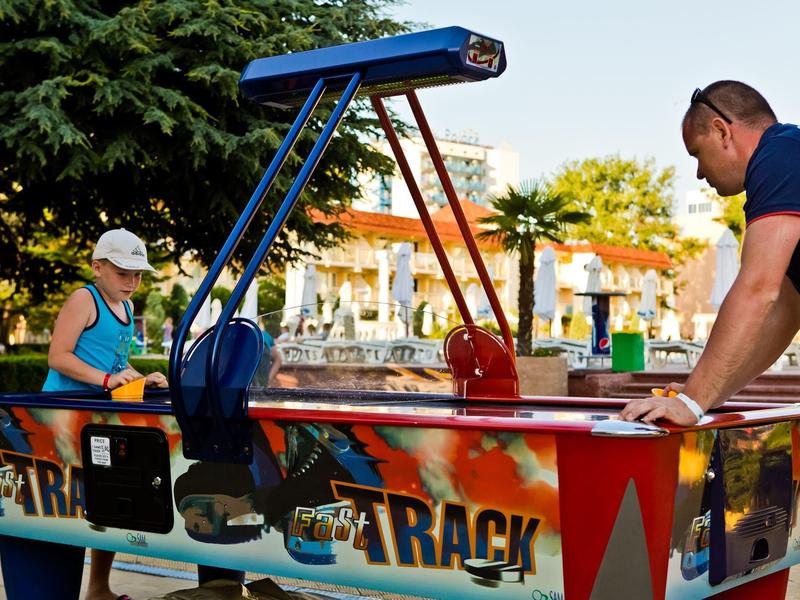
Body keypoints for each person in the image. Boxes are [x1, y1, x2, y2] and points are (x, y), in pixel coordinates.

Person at [622, 81, 800, 426]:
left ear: (721, 132)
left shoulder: (780, 156)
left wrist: (692, 400)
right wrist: (702, 394)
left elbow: (757, 289)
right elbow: (783, 315)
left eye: (697, 154)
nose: (700, 173)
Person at [43, 228, 168, 600]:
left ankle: (99, 588)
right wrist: (109, 379)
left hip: (98, 416)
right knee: (67, 506)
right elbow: (58, 357)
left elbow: (112, 361)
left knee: (110, 500)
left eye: (138, 274)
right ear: (97, 267)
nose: (132, 283)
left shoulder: (127, 308)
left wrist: (140, 378)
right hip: (64, 415)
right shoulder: (85, 299)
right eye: (122, 273)